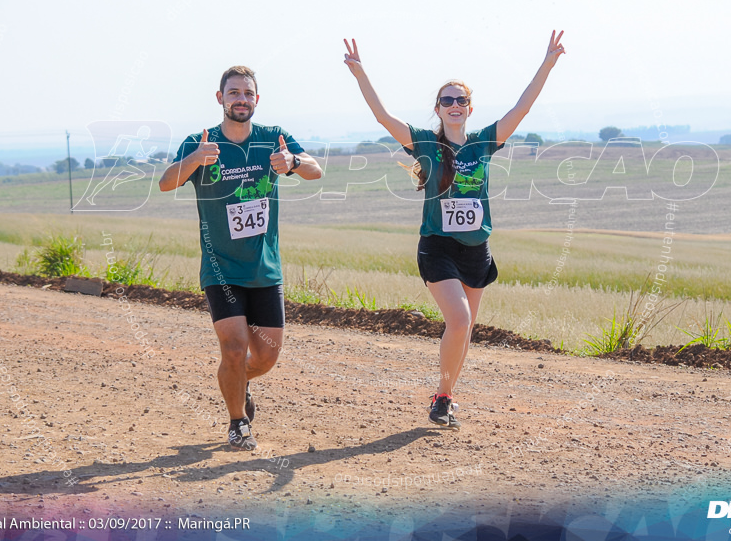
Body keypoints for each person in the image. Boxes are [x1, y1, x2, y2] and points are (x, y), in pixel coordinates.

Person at [342, 32, 565, 428]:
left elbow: (523, 108)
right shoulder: (426, 143)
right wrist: (360, 74)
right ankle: (442, 399)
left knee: (465, 332)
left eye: (461, 100)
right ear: (438, 109)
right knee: (459, 321)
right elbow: (382, 116)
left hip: (477, 249)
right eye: (447, 100)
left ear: (469, 107)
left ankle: (444, 396)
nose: (455, 105)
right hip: (438, 247)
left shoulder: (484, 143)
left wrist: (547, 63)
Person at [158, 66, 322, 450]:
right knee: (233, 349)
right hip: (221, 269)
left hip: (264, 269)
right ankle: (237, 422)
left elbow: (316, 170)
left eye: (247, 93)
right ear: (220, 98)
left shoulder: (273, 139)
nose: (241, 99)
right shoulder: (201, 142)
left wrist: (293, 164)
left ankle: (238, 379)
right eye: (233, 93)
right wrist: (196, 159)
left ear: (257, 100)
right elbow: (166, 183)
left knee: (265, 358)